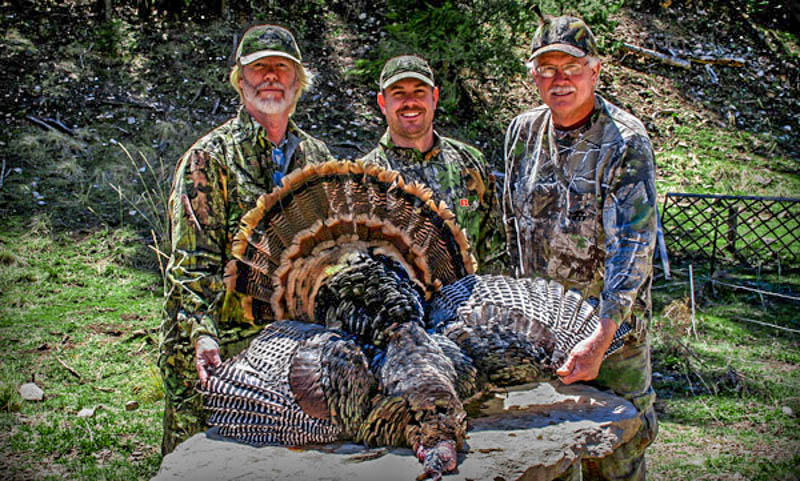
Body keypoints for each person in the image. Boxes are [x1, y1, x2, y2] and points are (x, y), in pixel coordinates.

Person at [159, 24, 334, 455]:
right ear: (241, 80)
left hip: (294, 354)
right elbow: (190, 266)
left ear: (298, 81)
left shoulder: (318, 158)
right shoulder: (208, 158)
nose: (271, 77)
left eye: (282, 67)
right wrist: (202, 335)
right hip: (224, 355)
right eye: (259, 68)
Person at [503, 14, 658, 481]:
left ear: (595, 69)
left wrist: (603, 334)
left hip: (612, 343)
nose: (559, 79)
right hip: (544, 338)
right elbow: (512, 231)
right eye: (546, 68)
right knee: (549, 462)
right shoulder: (521, 133)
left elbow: (633, 248)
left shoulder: (625, 141)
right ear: (533, 76)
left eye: (571, 66)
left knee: (615, 462)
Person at [359, 55, 505, 272]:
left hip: (474, 301)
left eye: (419, 92)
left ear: (434, 97)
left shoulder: (471, 162)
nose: (410, 102)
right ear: (382, 102)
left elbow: (495, 250)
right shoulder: (363, 178)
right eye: (398, 94)